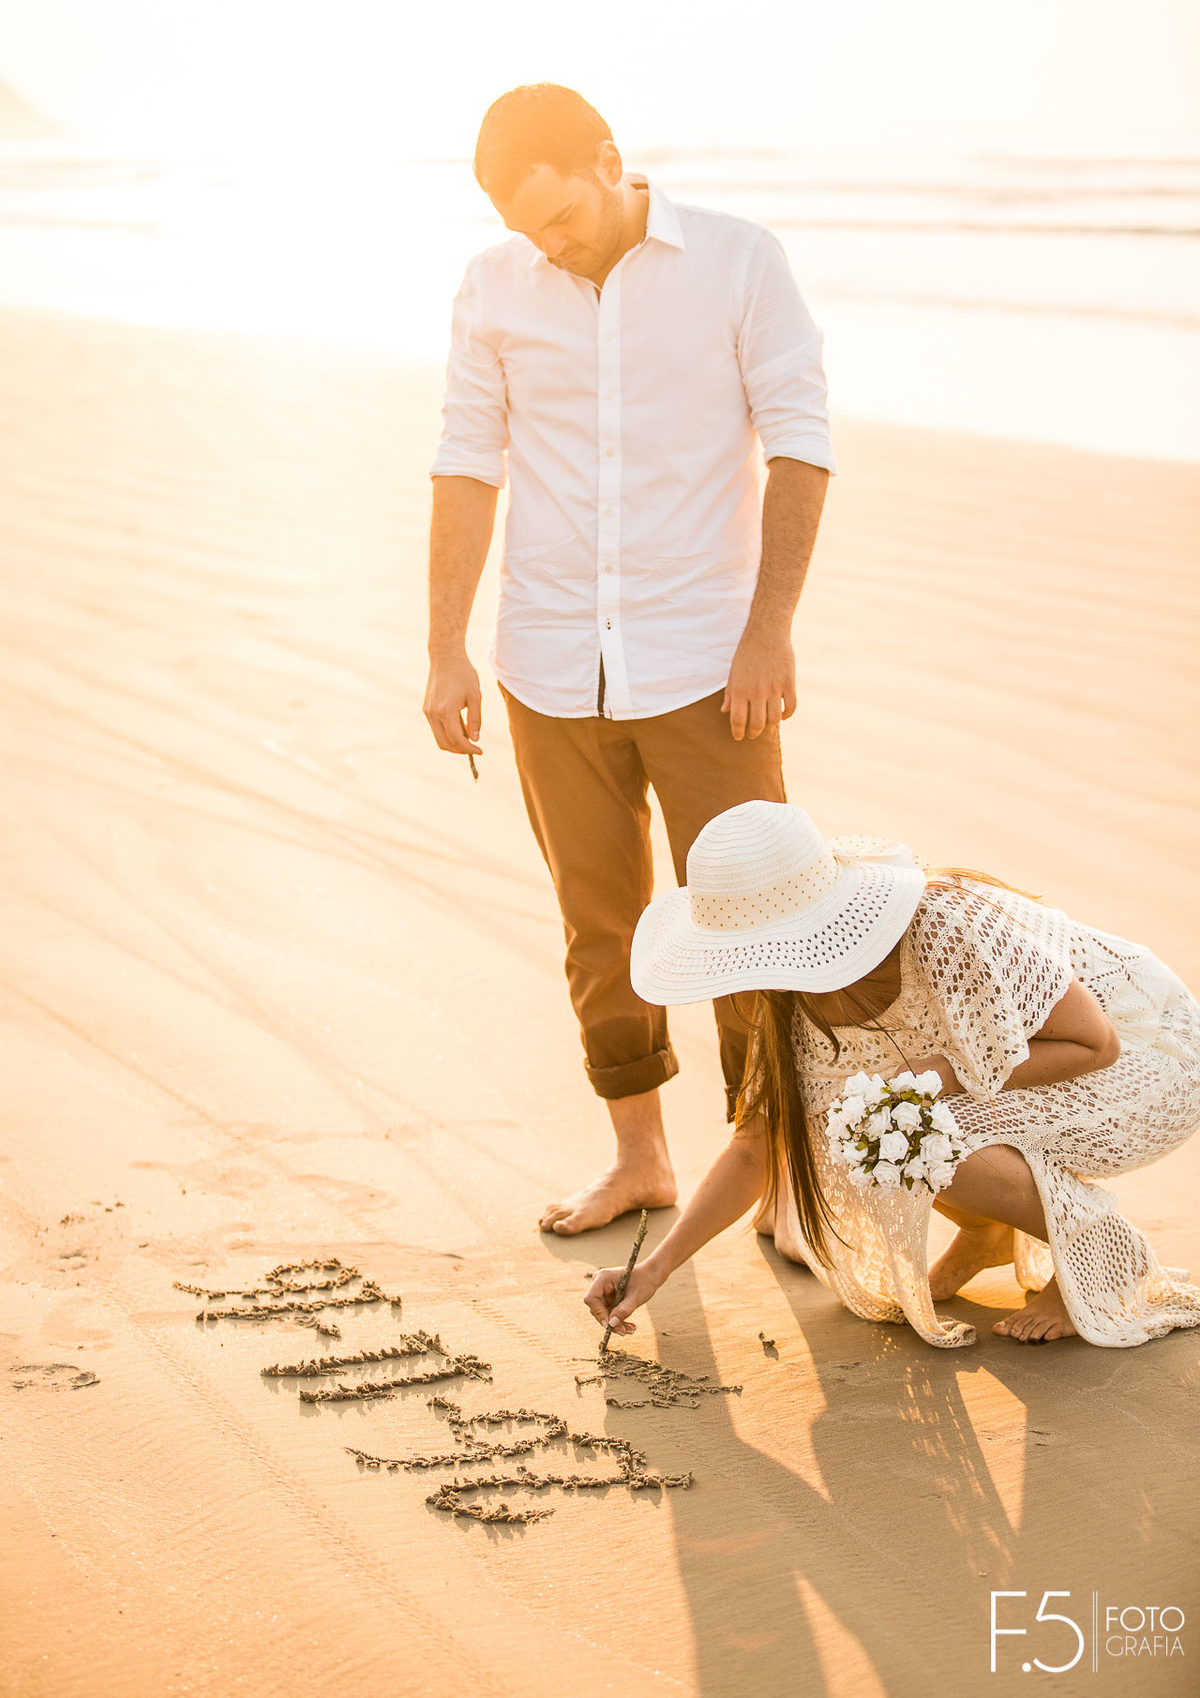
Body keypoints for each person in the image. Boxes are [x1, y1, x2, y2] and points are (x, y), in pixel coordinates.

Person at [424, 85, 836, 1234]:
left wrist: (769, 630)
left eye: (560, 217)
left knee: (753, 920)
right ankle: (641, 1159)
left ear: (609, 161)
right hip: (549, 660)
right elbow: (466, 463)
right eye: (527, 231)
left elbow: (801, 445)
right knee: (600, 930)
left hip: (711, 662)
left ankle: (770, 1174)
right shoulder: (493, 287)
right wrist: (445, 649)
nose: (548, 246)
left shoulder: (738, 262)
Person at [585, 801, 1200, 1347]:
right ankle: (986, 1231)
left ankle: (1100, 1259)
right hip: (1035, 1075)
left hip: (1150, 1060)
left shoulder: (946, 927)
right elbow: (754, 1147)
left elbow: (1098, 1043)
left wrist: (941, 1075)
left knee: (901, 1126)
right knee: (872, 1125)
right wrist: (654, 1269)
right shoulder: (783, 1000)